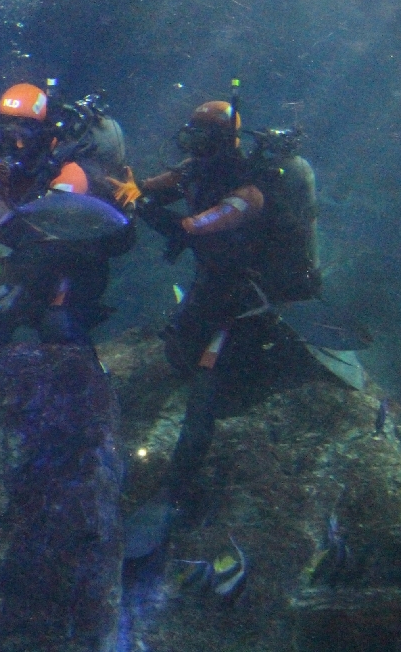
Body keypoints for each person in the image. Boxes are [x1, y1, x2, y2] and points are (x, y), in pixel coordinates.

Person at [124, 99, 320, 548]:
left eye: (205, 136)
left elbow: (204, 222)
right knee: (180, 353)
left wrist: (157, 213)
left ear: (226, 141)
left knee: (207, 384)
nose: (195, 143)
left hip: (248, 295)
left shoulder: (251, 185)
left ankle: (174, 491)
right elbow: (153, 190)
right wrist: (130, 189)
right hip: (216, 283)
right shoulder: (197, 168)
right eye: (193, 132)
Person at [0, 83, 136, 348]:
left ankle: (86, 378)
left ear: (42, 133)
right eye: (4, 132)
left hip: (72, 258)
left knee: (57, 325)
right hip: (19, 246)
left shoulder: (70, 172)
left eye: (22, 134)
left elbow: (42, 240)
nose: (12, 143)